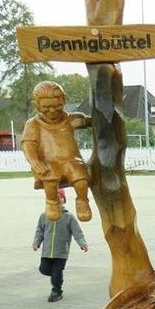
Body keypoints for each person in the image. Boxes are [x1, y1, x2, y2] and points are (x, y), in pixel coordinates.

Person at [21, 81, 93, 222]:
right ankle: (52, 201)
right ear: (36, 104)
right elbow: (28, 143)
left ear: (64, 100)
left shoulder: (70, 119)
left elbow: (90, 121)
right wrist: (34, 161)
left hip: (71, 160)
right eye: (46, 107)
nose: (52, 110)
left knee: (81, 179)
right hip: (48, 162)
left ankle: (82, 201)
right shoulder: (33, 124)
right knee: (50, 177)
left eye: (57, 106)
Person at [32, 188, 88, 302]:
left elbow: (77, 232)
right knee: (44, 269)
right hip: (47, 251)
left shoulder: (69, 217)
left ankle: (57, 290)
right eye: (54, 197)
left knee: (57, 272)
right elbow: (40, 231)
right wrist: (36, 242)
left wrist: (82, 243)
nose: (58, 199)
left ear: (64, 200)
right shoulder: (44, 216)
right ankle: (56, 277)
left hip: (61, 252)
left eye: (60, 197)